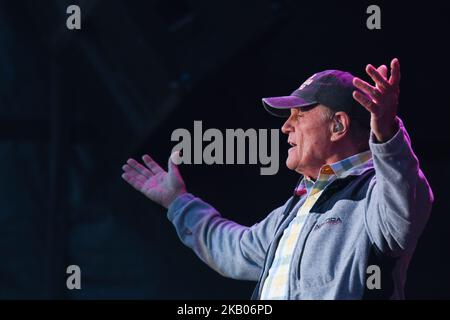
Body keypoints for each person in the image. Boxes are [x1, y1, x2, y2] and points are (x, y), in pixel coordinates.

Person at [121, 58, 434, 299]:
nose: (286, 127)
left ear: (337, 126)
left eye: (299, 115)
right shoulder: (293, 212)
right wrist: (177, 202)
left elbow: (405, 197)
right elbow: (233, 249)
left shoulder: (373, 197)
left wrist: (388, 133)